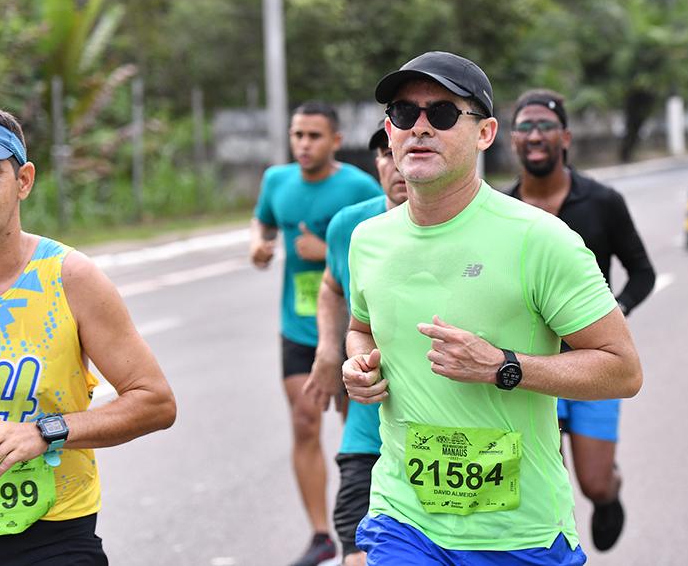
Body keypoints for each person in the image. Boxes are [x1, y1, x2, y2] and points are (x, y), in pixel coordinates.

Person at [342, 51, 642, 565]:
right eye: (402, 113)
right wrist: (359, 363)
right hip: (404, 517)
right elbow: (360, 328)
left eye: (441, 114)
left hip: (517, 531)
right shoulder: (368, 240)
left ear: (485, 134)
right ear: (387, 131)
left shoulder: (541, 240)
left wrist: (504, 366)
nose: (418, 128)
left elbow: (623, 371)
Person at [0, 105, 177, 564]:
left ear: (23, 181)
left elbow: (155, 400)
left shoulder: (68, 277)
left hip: (48, 538)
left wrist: (45, 431)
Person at [504, 88, 654, 552]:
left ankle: (611, 492)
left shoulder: (602, 201)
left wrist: (615, 312)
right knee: (552, 490)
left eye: (544, 126)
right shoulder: (502, 211)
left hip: (591, 363)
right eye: (525, 126)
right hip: (530, 369)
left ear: (564, 136)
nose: (534, 135)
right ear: (511, 139)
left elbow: (642, 272)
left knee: (592, 483)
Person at [249, 101, 381, 566]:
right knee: (305, 421)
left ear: (336, 141)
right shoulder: (276, 181)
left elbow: (376, 252)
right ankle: (322, 533)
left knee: (355, 428)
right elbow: (262, 220)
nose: (303, 144)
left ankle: (368, 526)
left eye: (314, 136)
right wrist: (258, 245)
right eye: (297, 135)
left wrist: (321, 248)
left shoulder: (359, 187)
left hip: (351, 329)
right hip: (297, 327)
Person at [302, 120, 408, 566]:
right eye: (384, 153)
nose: (396, 163)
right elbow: (330, 286)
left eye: (402, 150)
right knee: (360, 556)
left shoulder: (484, 228)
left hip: (450, 443)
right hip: (368, 436)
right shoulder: (351, 226)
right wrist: (329, 349)